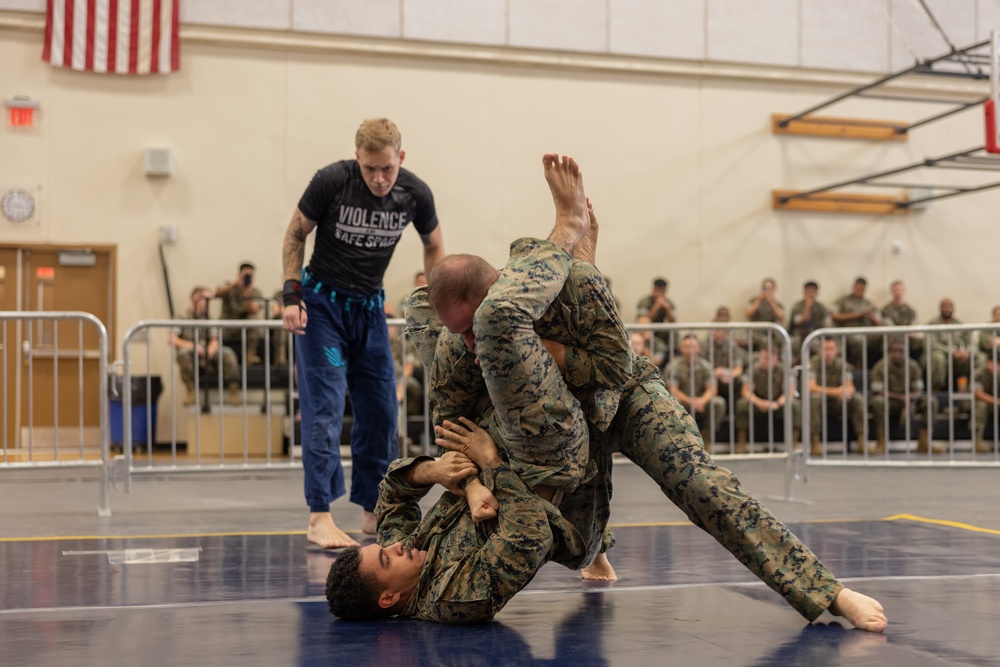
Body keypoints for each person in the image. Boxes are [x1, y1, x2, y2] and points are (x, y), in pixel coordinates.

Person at [327, 153, 887, 632]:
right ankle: (566, 243)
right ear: (389, 596)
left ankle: (827, 591)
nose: (394, 545)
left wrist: (453, 476)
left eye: (384, 545)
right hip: (545, 454)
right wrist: (485, 472)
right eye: (388, 556)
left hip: (597, 395)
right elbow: (524, 524)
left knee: (703, 488)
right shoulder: (449, 594)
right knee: (470, 327)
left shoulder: (406, 543)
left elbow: (397, 490)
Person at [281, 118, 445, 549]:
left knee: (381, 411)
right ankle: (320, 514)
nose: (378, 178)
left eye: (387, 169)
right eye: (370, 168)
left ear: (401, 159)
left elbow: (433, 243)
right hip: (323, 311)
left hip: (369, 311)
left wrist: (437, 298)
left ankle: (376, 511)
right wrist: (290, 294)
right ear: (357, 159)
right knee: (327, 405)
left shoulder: (415, 193)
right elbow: (296, 232)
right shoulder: (332, 181)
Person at [167, 286, 241, 406]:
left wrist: (212, 348)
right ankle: (191, 392)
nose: (208, 303)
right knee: (183, 353)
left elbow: (214, 339)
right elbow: (171, 339)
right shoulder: (181, 317)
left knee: (227, 353)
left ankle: (234, 392)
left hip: (207, 351)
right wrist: (192, 345)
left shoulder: (209, 319)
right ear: (195, 298)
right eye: (206, 299)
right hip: (191, 351)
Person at [870, 338, 940, 454]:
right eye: (895, 351)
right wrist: (901, 398)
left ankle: (924, 442)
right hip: (890, 401)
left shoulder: (913, 366)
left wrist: (910, 399)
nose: (898, 354)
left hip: (910, 400)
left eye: (901, 351)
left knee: (931, 401)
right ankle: (881, 443)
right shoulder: (880, 366)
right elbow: (877, 390)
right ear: (889, 352)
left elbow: (918, 389)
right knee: (877, 401)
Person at [664, 334, 726, 450]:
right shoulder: (674, 366)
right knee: (673, 402)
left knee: (718, 403)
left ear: (699, 348)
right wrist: (690, 401)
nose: (690, 350)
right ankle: (681, 443)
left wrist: (702, 401)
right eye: (687, 346)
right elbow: (672, 389)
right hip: (683, 402)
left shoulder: (706, 366)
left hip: (701, 402)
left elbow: (712, 389)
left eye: (693, 346)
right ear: (681, 348)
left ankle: (706, 440)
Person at [808, 338, 868, 456]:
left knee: (858, 399)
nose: (828, 353)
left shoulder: (843, 365)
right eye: (825, 349)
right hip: (820, 402)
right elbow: (811, 388)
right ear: (819, 350)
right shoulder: (813, 364)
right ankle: (815, 442)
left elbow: (850, 387)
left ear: (837, 350)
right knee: (814, 399)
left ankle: (862, 440)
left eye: (831, 349)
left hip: (838, 402)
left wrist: (847, 393)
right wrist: (836, 391)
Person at [735, 347, 799, 453]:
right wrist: (760, 402)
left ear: (776, 359)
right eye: (762, 357)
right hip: (758, 403)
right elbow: (746, 392)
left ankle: (794, 443)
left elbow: (790, 393)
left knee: (795, 405)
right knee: (741, 404)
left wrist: (777, 404)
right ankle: (741, 442)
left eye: (767, 358)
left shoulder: (784, 370)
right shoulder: (753, 370)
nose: (763, 361)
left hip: (778, 404)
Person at [216, 262, 264, 365]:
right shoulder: (229, 288)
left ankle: (250, 356)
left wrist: (247, 295)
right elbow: (216, 293)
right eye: (245, 275)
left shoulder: (255, 292)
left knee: (254, 321)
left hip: (246, 329)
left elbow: (254, 310)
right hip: (228, 328)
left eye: (250, 276)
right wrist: (235, 283)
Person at [831, 277, 883, 368]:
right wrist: (855, 315)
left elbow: (879, 322)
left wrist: (871, 316)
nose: (860, 291)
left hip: (867, 333)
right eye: (858, 288)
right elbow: (834, 315)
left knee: (886, 336)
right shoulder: (843, 301)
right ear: (853, 287)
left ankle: (881, 368)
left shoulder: (869, 304)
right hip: (848, 333)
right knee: (859, 341)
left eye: (862, 289)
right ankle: (858, 370)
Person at [924, 298, 975, 391]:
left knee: (978, 357)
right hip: (937, 354)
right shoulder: (932, 324)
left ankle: (968, 391)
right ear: (940, 308)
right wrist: (952, 352)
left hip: (957, 356)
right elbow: (932, 345)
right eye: (945, 306)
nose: (947, 308)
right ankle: (935, 391)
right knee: (938, 358)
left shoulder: (960, 324)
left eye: (949, 306)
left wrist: (966, 352)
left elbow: (970, 342)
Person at [704, 305, 746, 410]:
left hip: (727, 378)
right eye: (713, 329)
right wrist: (714, 372)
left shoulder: (731, 345)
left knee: (742, 381)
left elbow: (738, 367)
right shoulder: (704, 345)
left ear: (725, 331)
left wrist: (729, 373)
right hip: (709, 378)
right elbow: (701, 367)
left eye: (718, 329)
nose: (714, 332)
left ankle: (735, 414)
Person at [788, 281, 831, 363]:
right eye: (808, 292)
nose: (811, 295)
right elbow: (799, 322)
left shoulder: (821, 308)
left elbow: (828, 325)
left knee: (825, 346)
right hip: (798, 336)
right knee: (792, 345)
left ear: (817, 293)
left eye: (813, 292)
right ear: (804, 293)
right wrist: (807, 307)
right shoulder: (797, 306)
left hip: (817, 336)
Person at [635, 276, 676, 362]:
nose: (660, 293)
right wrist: (656, 307)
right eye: (658, 290)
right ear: (653, 289)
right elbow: (642, 320)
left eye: (663, 291)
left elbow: (673, 323)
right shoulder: (644, 302)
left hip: (660, 331)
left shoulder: (669, 303)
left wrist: (667, 310)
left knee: (674, 333)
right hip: (645, 330)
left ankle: (672, 355)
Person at [881, 280, 923, 360]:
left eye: (899, 290)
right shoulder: (886, 310)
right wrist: (903, 334)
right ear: (892, 292)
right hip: (893, 339)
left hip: (908, 338)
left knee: (922, 342)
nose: (898, 292)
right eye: (895, 290)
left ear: (904, 291)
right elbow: (889, 327)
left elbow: (914, 324)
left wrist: (912, 333)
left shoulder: (910, 310)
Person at [745, 277, 784, 350]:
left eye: (769, 288)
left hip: (772, 332)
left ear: (774, 289)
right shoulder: (753, 301)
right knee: (765, 341)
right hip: (756, 332)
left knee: (781, 340)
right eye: (764, 288)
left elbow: (781, 318)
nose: (766, 290)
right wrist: (759, 299)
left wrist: (771, 301)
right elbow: (748, 314)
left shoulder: (778, 304)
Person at [973, 356, 1000, 453]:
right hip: (973, 403)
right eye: (996, 364)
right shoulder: (979, 373)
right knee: (981, 405)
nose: (998, 367)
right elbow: (977, 394)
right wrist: (996, 401)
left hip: (993, 403)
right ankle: (977, 441)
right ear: (988, 363)